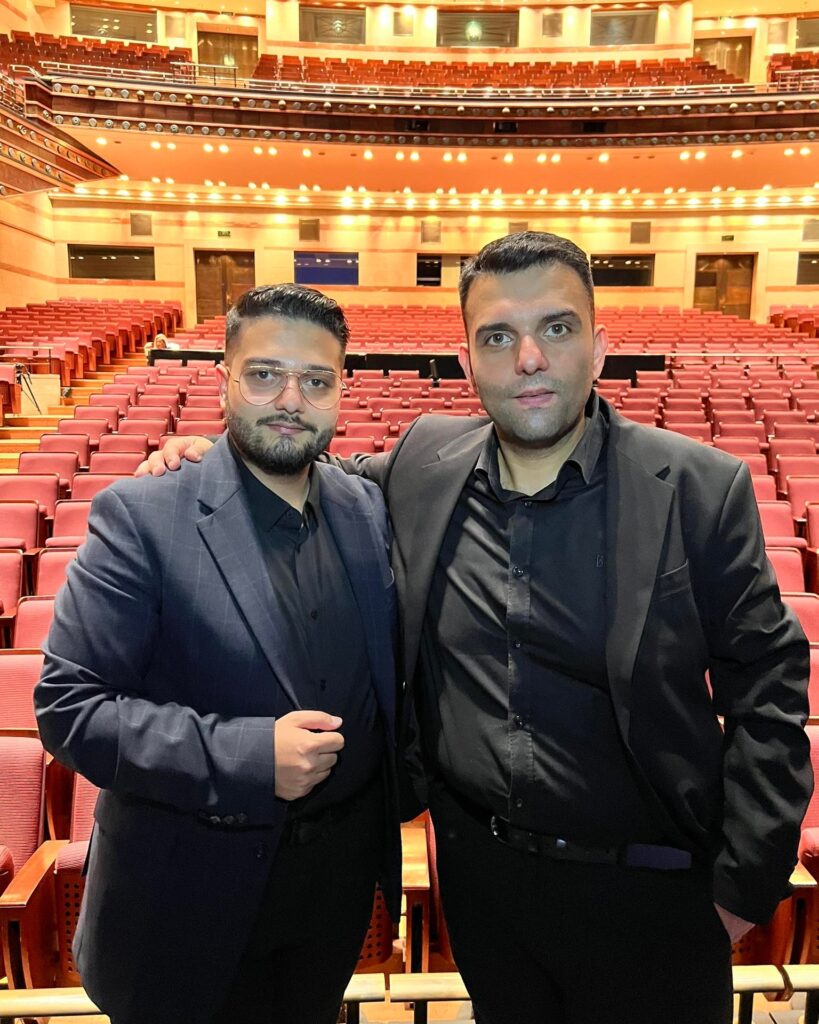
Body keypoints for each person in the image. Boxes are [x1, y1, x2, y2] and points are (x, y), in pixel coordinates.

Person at [140, 232, 812, 1024]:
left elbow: (768, 689)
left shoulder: (698, 486)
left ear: (598, 347)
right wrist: (215, 457)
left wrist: (741, 888)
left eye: (556, 328)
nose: (528, 358)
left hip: (653, 895)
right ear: (467, 363)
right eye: (497, 336)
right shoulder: (425, 460)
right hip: (484, 889)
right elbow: (316, 483)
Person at [35, 284, 401, 1024]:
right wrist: (248, 757)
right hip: (179, 911)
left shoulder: (365, 507)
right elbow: (70, 710)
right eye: (264, 374)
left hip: (327, 905)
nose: (290, 400)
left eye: (316, 380)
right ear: (224, 378)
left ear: (341, 389)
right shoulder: (142, 514)